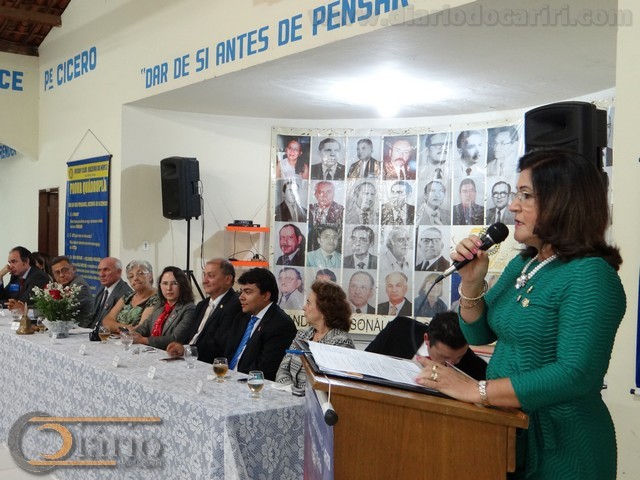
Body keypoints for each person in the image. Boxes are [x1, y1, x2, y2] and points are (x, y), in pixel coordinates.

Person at [416, 149, 626, 480]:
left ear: (563, 202)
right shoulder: (524, 263)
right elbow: (478, 333)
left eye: (526, 195)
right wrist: (471, 282)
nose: (513, 206)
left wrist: (477, 390)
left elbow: (575, 374)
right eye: (517, 194)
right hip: (508, 429)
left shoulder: (591, 274)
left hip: (564, 448)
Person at [276, 280, 354, 392]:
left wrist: (296, 394)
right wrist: (289, 390)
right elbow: (283, 369)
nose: (304, 307)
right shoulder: (302, 334)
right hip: (289, 397)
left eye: (308, 303)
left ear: (324, 308)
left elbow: (328, 386)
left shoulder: (341, 342)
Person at [366, 312, 487, 380]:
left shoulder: (476, 367)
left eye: (459, 356)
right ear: (427, 339)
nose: (452, 363)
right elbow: (365, 361)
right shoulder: (399, 329)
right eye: (445, 357)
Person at [224, 268, 297, 381]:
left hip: (251, 384)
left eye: (248, 292)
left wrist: (234, 379)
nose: (241, 297)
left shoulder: (281, 325)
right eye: (241, 291)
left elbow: (265, 370)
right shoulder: (242, 316)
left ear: (266, 296)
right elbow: (228, 352)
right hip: (227, 377)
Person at [166, 259, 241, 364]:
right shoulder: (202, 304)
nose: (204, 281)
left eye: (210, 276)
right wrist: (179, 347)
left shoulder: (235, 305)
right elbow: (190, 335)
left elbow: (219, 345)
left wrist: (185, 350)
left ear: (228, 279)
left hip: (208, 363)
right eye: (204, 275)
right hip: (187, 359)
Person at [132, 266, 196, 350]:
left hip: (170, 353)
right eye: (165, 283)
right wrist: (132, 334)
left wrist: (144, 340)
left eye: (174, 283)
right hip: (152, 350)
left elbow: (176, 338)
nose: (169, 288)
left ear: (182, 285)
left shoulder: (189, 309)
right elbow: (145, 327)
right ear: (160, 286)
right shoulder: (160, 305)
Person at [102, 260, 159, 332]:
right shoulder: (128, 296)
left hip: (136, 339)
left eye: (140, 273)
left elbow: (140, 329)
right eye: (131, 276)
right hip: (119, 337)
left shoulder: (156, 298)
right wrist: (125, 328)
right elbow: (106, 321)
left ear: (150, 276)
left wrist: (115, 326)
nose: (135, 278)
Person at [87, 257, 134, 328]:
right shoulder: (101, 289)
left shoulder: (125, 294)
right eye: (99, 270)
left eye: (106, 270)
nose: (101, 274)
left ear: (119, 272)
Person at [51, 255, 94, 326]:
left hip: (82, 329)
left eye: (64, 270)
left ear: (74, 269)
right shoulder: (64, 286)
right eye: (57, 273)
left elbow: (60, 311)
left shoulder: (79, 286)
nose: (61, 275)